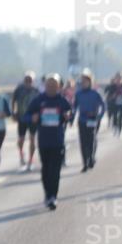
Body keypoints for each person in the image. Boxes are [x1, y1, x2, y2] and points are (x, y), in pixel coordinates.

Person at [26, 74, 73, 210]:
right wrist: (32, 118)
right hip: (44, 141)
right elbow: (26, 115)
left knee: (56, 171)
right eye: (49, 85)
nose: (51, 88)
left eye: (54, 85)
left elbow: (71, 113)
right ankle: (47, 194)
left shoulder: (62, 100)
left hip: (58, 141)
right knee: (46, 170)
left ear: (59, 86)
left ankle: (53, 196)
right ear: (45, 86)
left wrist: (68, 116)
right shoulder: (39, 100)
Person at [74, 70, 106, 172]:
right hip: (82, 120)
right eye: (82, 81)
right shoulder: (78, 94)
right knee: (83, 142)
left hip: (92, 119)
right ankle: (85, 163)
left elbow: (103, 106)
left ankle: (91, 158)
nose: (84, 83)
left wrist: (99, 116)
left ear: (90, 82)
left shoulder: (95, 93)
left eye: (86, 81)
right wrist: (70, 118)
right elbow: (74, 107)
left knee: (91, 140)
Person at [12, 71, 40, 171]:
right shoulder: (19, 90)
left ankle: (31, 159)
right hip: (22, 117)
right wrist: (14, 112)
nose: (28, 81)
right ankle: (21, 154)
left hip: (32, 119)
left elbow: (40, 103)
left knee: (32, 139)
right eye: (26, 80)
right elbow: (13, 101)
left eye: (30, 80)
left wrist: (38, 115)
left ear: (33, 80)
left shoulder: (36, 91)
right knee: (21, 139)